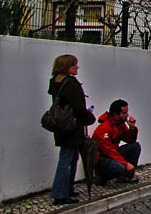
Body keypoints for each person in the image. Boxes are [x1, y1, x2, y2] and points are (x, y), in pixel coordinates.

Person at [47, 54, 96, 205]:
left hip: (63, 126)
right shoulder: (70, 83)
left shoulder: (56, 81)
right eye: (75, 65)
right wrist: (89, 118)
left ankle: (67, 189)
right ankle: (60, 193)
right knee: (67, 159)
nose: (77, 67)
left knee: (71, 158)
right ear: (67, 66)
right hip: (71, 126)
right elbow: (78, 106)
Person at [93, 99, 142, 185]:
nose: (127, 115)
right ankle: (102, 176)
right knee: (120, 167)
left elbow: (130, 140)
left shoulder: (120, 124)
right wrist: (125, 163)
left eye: (127, 112)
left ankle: (126, 177)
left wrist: (132, 128)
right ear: (116, 114)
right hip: (102, 158)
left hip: (112, 154)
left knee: (135, 146)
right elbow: (108, 150)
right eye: (124, 113)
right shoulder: (105, 127)